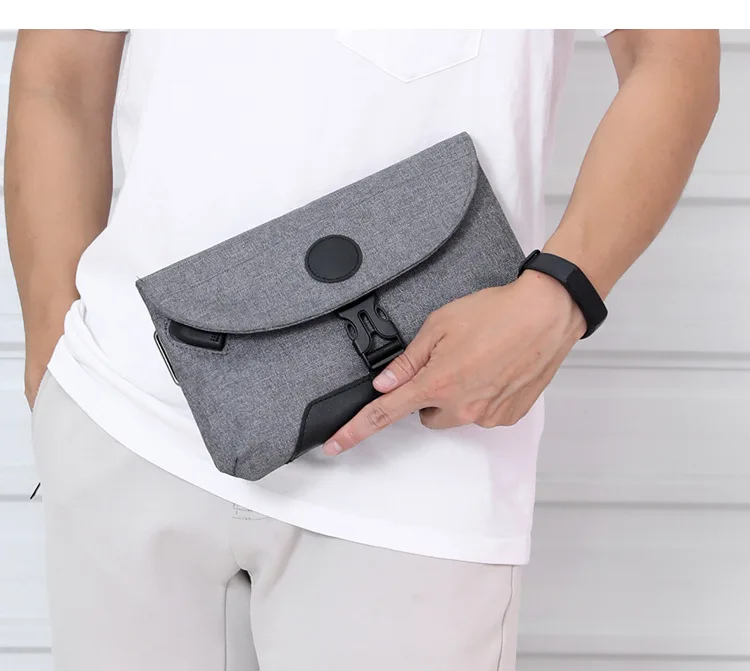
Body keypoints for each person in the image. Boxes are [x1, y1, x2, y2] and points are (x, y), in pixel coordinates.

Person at [5, 29, 719, 671]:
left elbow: (673, 54)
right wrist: (55, 360)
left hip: (424, 458)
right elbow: (58, 72)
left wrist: (563, 294)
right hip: (125, 421)